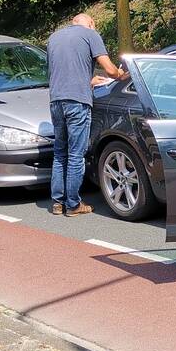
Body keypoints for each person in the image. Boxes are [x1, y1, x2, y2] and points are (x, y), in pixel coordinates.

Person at [46, 13, 125, 216]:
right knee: (76, 154)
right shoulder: (90, 35)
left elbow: (58, 73)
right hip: (77, 102)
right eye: (94, 25)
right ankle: (73, 205)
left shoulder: (54, 38)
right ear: (90, 23)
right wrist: (121, 74)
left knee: (60, 152)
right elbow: (109, 69)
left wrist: (88, 80)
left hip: (56, 101)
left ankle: (57, 202)